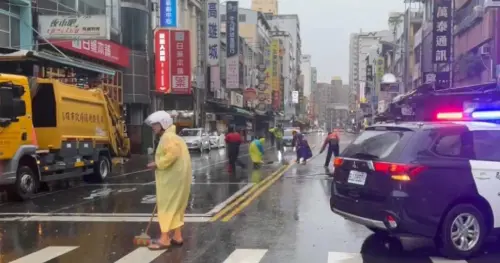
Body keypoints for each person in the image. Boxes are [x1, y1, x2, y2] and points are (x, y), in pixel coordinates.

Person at [144, 111, 192, 250]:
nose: (153, 127)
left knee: (166, 207)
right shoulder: (174, 137)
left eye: (155, 124)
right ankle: (177, 236)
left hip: (171, 179)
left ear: (163, 124)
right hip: (178, 178)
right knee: (176, 207)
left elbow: (173, 154)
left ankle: (164, 239)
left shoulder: (168, 137)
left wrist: (157, 164)